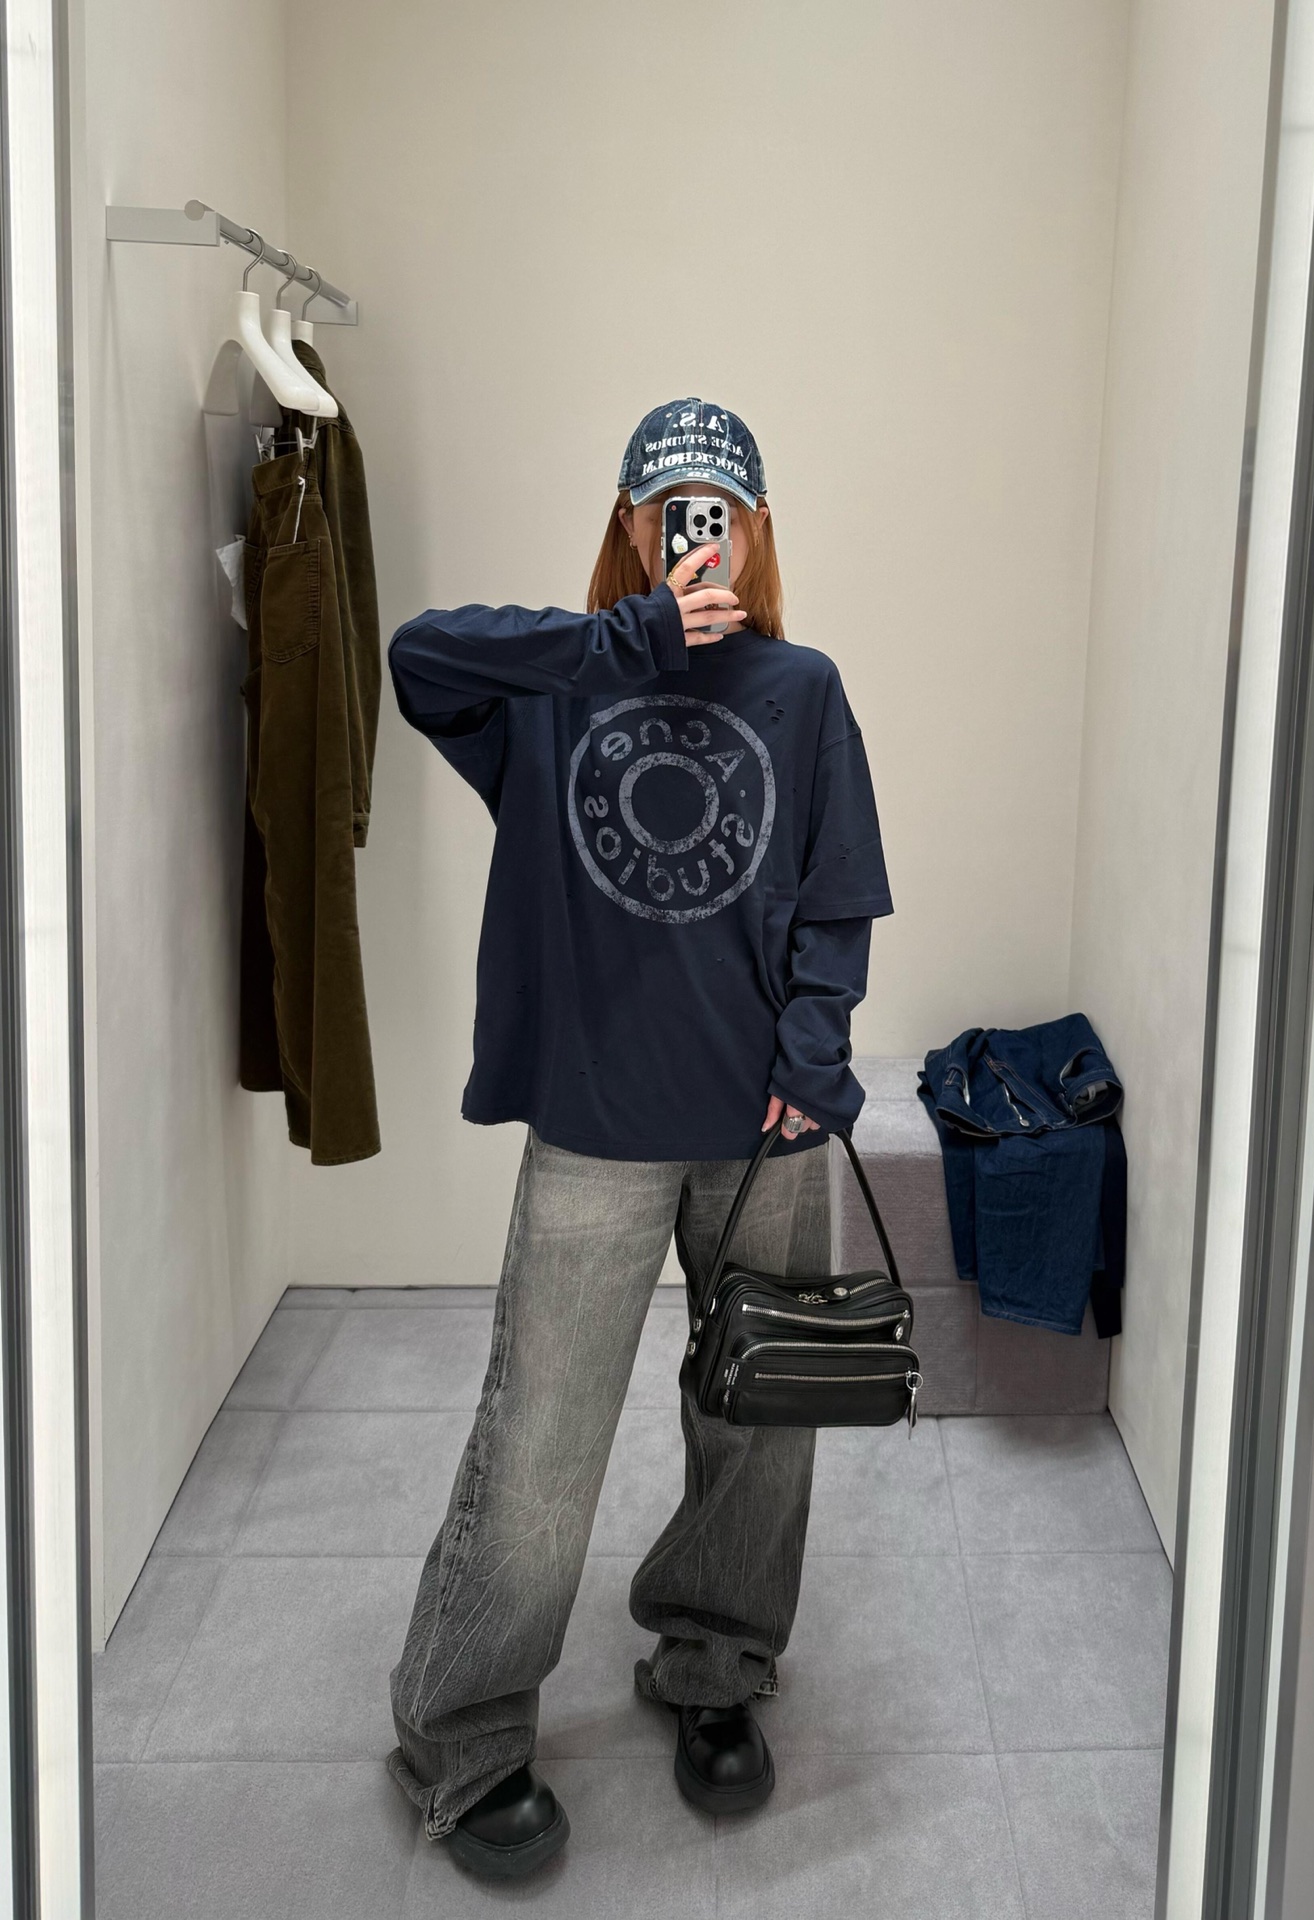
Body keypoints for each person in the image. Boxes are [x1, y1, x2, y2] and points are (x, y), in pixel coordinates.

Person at [385, 398, 893, 1880]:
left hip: (765, 1130)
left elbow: (839, 887)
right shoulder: (557, 683)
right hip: (597, 1124)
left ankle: (716, 1663)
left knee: (762, 1420)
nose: (698, 532)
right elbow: (417, 658)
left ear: (758, 529)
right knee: (540, 1439)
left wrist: (815, 1052)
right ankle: (462, 1727)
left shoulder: (802, 687)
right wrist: (626, 640)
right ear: (629, 521)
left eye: (721, 509)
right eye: (670, 506)